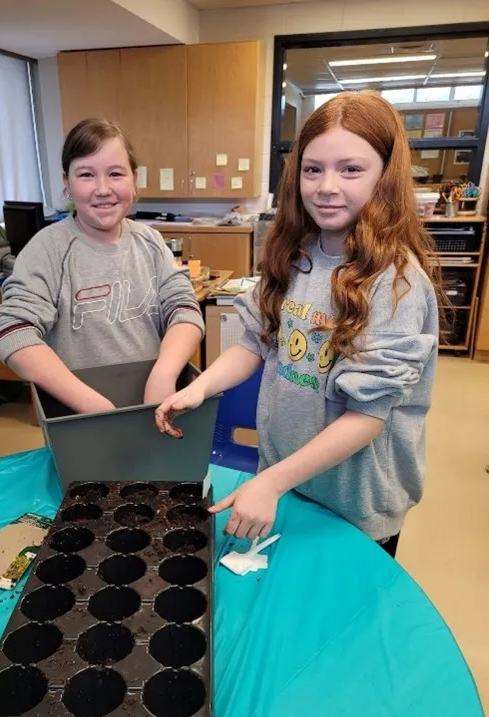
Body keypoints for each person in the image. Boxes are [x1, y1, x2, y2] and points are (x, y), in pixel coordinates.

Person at [156, 92, 442, 556]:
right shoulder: (297, 254)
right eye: (314, 169)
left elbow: (366, 417)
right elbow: (254, 341)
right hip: (290, 477)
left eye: (351, 169)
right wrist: (200, 387)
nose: (327, 186)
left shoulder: (395, 280)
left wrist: (271, 482)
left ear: (385, 176)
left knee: (337, 612)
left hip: (354, 499)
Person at [0, 118, 204, 413]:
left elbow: (185, 311)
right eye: (86, 175)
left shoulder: (152, 242)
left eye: (116, 174)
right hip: (79, 415)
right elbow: (14, 334)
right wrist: (92, 405)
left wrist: (164, 374)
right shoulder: (47, 249)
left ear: (134, 179)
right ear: (67, 182)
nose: (103, 189)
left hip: (153, 407)